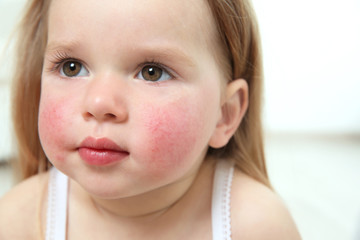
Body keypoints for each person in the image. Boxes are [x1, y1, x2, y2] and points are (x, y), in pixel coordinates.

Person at [0, 0, 301, 239]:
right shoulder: (19, 220)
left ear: (225, 114)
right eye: (71, 67)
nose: (99, 103)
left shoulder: (254, 225)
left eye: (151, 72)